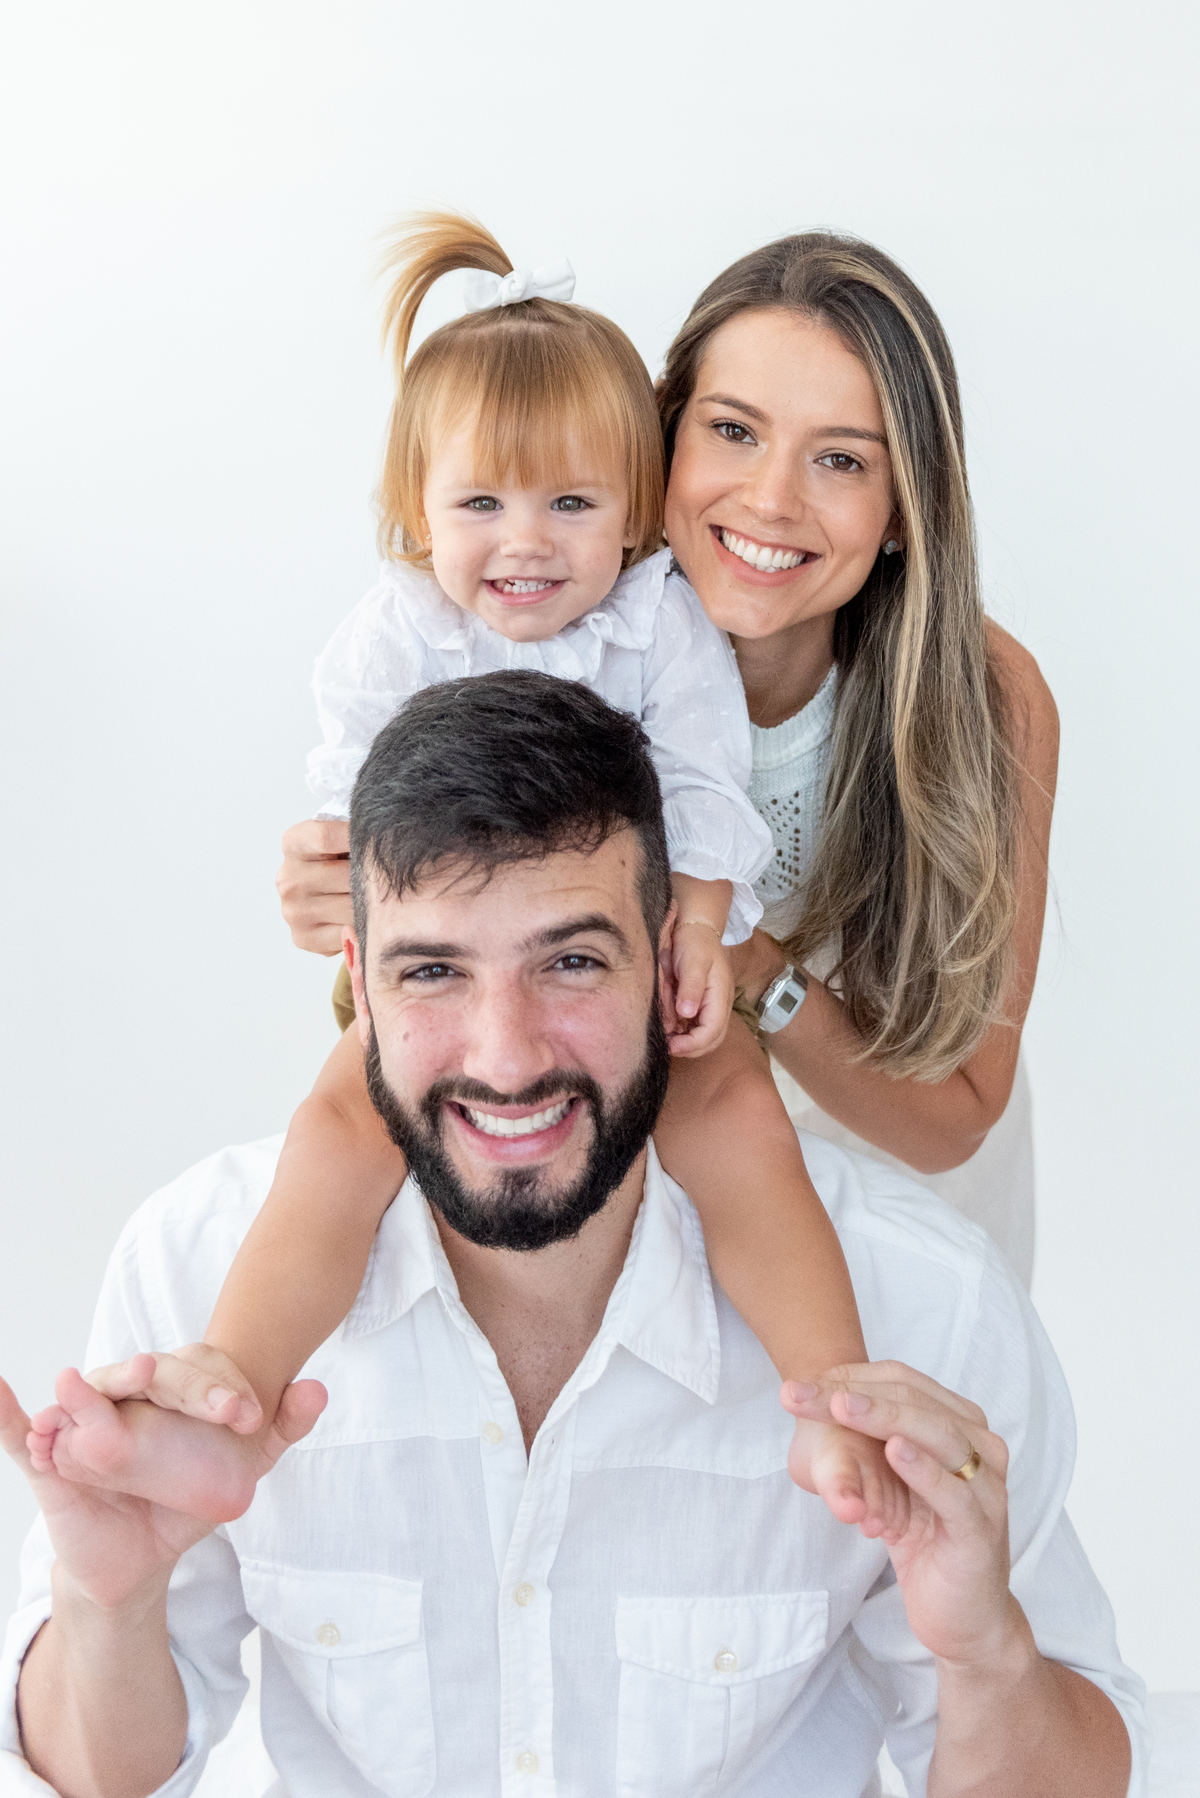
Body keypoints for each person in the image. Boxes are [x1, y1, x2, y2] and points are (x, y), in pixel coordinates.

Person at [1, 674, 1143, 1796]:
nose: (506, 1058)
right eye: (433, 971)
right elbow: (95, 1779)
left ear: (671, 964)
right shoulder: (193, 1268)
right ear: (361, 985)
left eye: (573, 962)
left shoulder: (924, 1302)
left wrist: (986, 1656)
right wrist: (106, 1602)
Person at [158, 211, 903, 1523]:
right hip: (458, 964)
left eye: (571, 504)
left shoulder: (656, 622)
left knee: (740, 1119)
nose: (527, 543)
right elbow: (354, 791)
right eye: (482, 505)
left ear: (634, 511)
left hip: (624, 951)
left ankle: (836, 1392)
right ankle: (235, 1371)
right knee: (339, 1130)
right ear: (418, 510)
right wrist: (356, 907)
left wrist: (701, 925)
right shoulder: (399, 630)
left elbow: (704, 777)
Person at [282, 228, 1054, 1289]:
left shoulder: (982, 694)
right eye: (733, 431)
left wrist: (734, 953)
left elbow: (953, 1121)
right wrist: (341, 881)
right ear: (660, 439)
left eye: (841, 458)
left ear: (902, 510)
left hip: (900, 1214)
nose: (772, 500)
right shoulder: (550, 632)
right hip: (623, 1220)